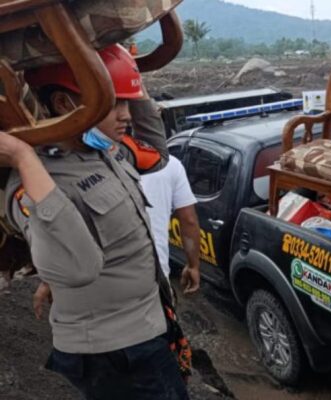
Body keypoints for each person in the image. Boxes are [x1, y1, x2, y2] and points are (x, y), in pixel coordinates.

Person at [5, 44, 189, 399]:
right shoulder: (35, 179)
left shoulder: (105, 152)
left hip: (148, 325)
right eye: (114, 103)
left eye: (127, 103)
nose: (127, 115)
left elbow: (157, 155)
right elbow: (76, 268)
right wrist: (22, 157)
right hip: (115, 354)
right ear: (63, 105)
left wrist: (130, 78)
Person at [141, 155, 201, 294]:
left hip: (109, 275)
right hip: (155, 270)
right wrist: (193, 266)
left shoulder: (99, 162)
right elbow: (188, 220)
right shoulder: (170, 164)